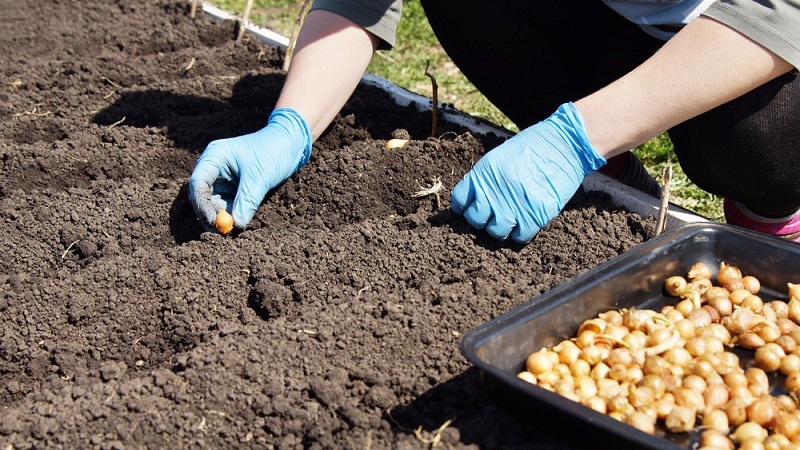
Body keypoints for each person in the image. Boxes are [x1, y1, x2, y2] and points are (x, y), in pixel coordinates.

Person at [189, 0, 800, 243]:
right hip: (606, 15)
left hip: (744, 38)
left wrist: (573, 137)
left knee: (751, 142)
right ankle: (615, 186)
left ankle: (776, 219)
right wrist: (288, 126)